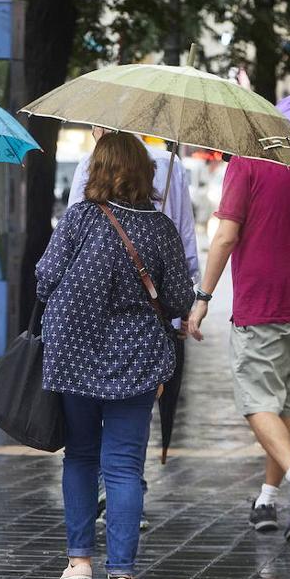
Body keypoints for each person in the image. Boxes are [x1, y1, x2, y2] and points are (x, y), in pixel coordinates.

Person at [37, 131, 194, 579]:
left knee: (81, 456)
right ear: (145, 174)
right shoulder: (160, 228)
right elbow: (179, 299)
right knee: (124, 467)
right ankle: (122, 575)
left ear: (98, 171)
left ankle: (78, 562)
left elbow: (45, 276)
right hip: (138, 360)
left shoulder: (81, 216)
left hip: (75, 354)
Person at [186, 153, 290, 541]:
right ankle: (267, 498)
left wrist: (203, 296)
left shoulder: (247, 164)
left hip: (262, 301)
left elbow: (226, 235)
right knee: (288, 400)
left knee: (255, 399)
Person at [70, 128, 200, 465]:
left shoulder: (85, 177)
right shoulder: (168, 171)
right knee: (127, 450)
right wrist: (184, 307)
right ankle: (128, 481)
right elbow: (185, 248)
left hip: (84, 334)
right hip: (144, 335)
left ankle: (100, 485)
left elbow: (54, 272)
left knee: (81, 452)